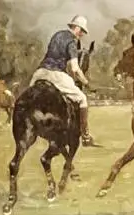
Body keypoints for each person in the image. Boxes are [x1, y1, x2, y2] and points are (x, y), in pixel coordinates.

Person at [30, 14, 95, 146]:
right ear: (76, 28)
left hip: (39, 73)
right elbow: (75, 69)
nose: (82, 34)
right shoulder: (71, 41)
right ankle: (86, 135)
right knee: (82, 98)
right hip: (55, 74)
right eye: (81, 30)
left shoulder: (57, 35)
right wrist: (87, 84)